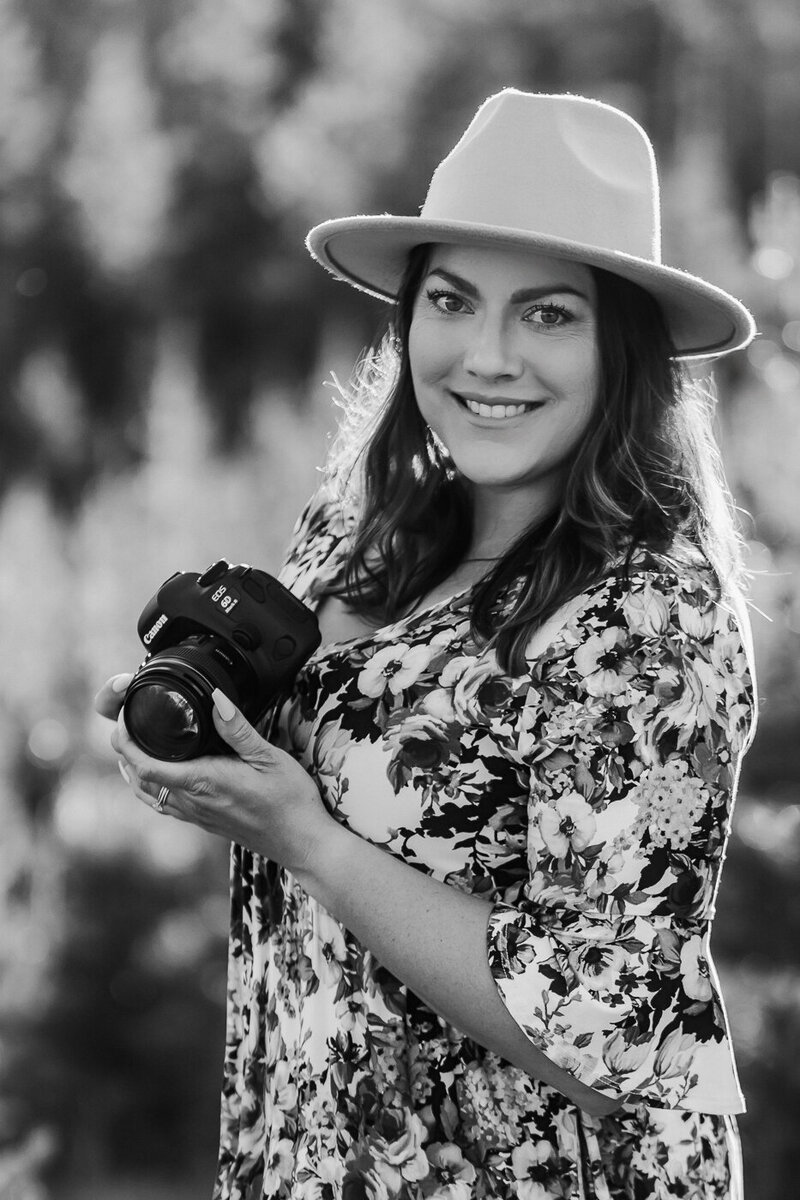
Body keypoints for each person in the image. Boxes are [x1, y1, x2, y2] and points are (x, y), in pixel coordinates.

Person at [97, 90, 758, 1199]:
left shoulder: (646, 619)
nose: (485, 356)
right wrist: (206, 752)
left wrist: (306, 838)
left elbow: (614, 1038)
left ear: (623, 350)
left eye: (547, 314)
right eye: (451, 300)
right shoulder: (366, 539)